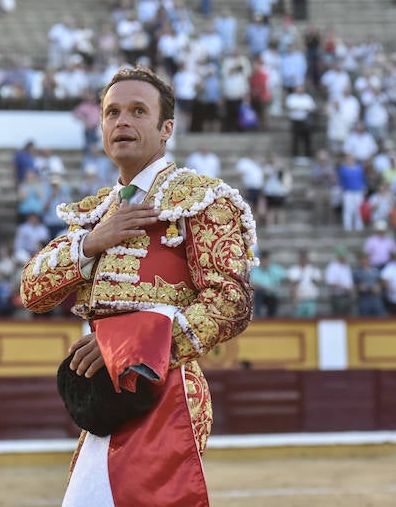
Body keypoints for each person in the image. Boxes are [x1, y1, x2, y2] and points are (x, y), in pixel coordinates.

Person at [20, 67, 254, 506]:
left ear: (167, 129)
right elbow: (33, 291)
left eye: (138, 111)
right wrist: (91, 243)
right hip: (107, 401)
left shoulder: (201, 200)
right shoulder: (96, 214)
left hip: (165, 393)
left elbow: (230, 302)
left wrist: (124, 347)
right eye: (112, 113)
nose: (122, 121)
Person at [250, 250, 286, 317]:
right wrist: (266, 288)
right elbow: (253, 284)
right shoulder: (256, 270)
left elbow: (286, 276)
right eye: (263, 260)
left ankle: (272, 317)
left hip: (271, 295)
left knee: (273, 299)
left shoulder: (275, 269)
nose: (265, 262)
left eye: (266, 260)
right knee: (258, 294)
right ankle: (258, 316)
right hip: (260, 295)